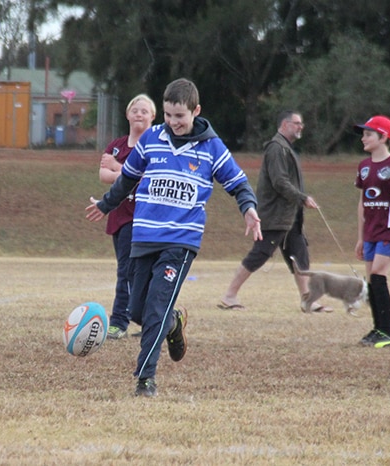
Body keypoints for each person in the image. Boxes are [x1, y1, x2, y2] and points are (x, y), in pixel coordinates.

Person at [86, 78, 262, 397]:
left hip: (180, 241)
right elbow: (127, 180)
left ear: (195, 111)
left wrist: (248, 208)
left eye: (179, 116)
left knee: (154, 308)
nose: (172, 122)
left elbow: (238, 183)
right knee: (138, 312)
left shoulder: (212, 147)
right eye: (167, 115)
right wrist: (105, 204)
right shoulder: (151, 139)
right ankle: (173, 322)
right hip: (144, 237)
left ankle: (145, 379)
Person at [218, 110, 329, 313]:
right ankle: (229, 296)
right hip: (275, 216)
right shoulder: (276, 148)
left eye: (301, 123)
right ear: (284, 125)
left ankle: (308, 300)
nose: (300, 127)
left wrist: (299, 202)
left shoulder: (286, 148)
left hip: (290, 217)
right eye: (296, 123)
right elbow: (279, 182)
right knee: (260, 254)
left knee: (299, 255)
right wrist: (302, 198)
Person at [98, 94, 156, 340]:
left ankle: (120, 321)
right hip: (120, 216)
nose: (139, 114)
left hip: (145, 217)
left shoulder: (155, 145)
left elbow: (149, 178)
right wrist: (123, 173)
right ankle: (149, 321)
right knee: (130, 271)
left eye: (145, 110)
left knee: (132, 272)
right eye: (136, 109)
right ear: (128, 114)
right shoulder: (117, 145)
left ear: (153, 117)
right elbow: (103, 174)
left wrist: (118, 168)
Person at [353, 115, 390, 348]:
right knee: (371, 281)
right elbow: (362, 203)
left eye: (368, 134)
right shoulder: (364, 167)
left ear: (383, 137)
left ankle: (387, 333)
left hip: (389, 230)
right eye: (363, 133)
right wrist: (360, 237)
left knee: (378, 275)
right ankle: (377, 329)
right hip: (370, 231)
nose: (363, 138)